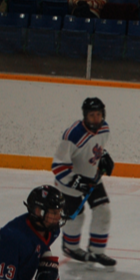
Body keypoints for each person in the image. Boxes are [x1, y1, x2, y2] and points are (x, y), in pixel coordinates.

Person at [53, 97, 117, 268]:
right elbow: (58, 165)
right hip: (69, 182)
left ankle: (96, 251)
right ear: (85, 116)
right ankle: (70, 247)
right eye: (92, 115)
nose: (96, 119)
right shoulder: (72, 135)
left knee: (103, 211)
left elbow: (95, 148)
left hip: (92, 178)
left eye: (98, 114)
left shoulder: (104, 128)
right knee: (77, 218)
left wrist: (103, 157)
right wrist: (74, 181)